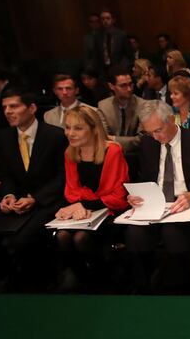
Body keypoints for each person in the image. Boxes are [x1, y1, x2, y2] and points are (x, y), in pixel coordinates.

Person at [0, 88, 67, 288]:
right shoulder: (4, 137)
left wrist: (35, 198)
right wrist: (8, 195)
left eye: (14, 106)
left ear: (31, 108)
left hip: (45, 201)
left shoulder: (55, 136)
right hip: (16, 200)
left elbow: (62, 177)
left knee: (22, 241)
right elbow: (6, 174)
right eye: (4, 107)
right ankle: (9, 279)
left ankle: (36, 283)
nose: (8, 112)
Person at [126, 100, 190, 292]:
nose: (155, 137)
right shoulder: (148, 144)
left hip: (187, 207)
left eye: (158, 130)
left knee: (172, 233)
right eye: (150, 132)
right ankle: (144, 289)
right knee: (135, 234)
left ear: (171, 120)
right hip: (156, 206)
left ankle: (180, 290)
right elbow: (144, 178)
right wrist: (135, 196)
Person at [55, 105, 129, 288]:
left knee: (81, 238)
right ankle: (83, 279)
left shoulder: (112, 151)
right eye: (68, 127)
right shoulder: (70, 152)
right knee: (62, 236)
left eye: (78, 128)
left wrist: (82, 203)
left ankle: (102, 280)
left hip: (112, 212)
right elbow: (71, 192)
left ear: (94, 129)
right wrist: (79, 205)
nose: (70, 133)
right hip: (85, 212)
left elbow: (118, 197)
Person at [97, 66, 143, 154]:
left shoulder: (143, 105)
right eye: (123, 86)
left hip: (137, 157)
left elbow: (141, 140)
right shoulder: (103, 106)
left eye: (130, 84)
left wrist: (114, 139)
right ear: (111, 86)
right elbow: (103, 138)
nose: (129, 89)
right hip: (111, 155)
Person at [44, 74, 109, 132]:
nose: (64, 92)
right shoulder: (48, 115)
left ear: (76, 90)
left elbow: (102, 137)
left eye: (68, 88)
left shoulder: (93, 112)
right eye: (60, 89)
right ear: (55, 91)